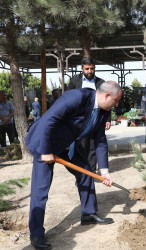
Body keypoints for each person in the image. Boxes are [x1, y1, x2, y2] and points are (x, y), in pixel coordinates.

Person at [25, 81, 122, 249]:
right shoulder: (76, 97)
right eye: (116, 101)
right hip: (45, 142)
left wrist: (104, 171)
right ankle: (36, 233)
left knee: (85, 171)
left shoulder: (103, 112)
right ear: (107, 96)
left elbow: (100, 141)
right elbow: (49, 120)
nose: (117, 104)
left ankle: (89, 213)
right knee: (41, 188)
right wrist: (46, 151)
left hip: (67, 143)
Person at [67, 57, 111, 173]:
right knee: (82, 145)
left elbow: (108, 101)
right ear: (82, 69)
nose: (89, 71)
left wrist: (108, 119)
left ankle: (91, 173)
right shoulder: (74, 81)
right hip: (80, 120)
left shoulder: (101, 83)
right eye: (87, 69)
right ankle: (82, 172)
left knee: (93, 146)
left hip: (96, 119)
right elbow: (67, 99)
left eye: (92, 68)